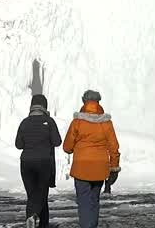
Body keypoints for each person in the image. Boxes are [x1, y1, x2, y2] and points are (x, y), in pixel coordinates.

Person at [63, 89, 121, 228]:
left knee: (83, 201)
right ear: (98, 102)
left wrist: (74, 147)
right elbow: (114, 147)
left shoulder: (77, 122)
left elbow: (67, 147)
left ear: (84, 101)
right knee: (94, 200)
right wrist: (114, 167)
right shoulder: (106, 123)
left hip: (81, 167)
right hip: (100, 168)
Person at [15, 94, 62, 228]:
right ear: (44, 106)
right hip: (44, 162)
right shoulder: (49, 121)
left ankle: (36, 219)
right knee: (41, 193)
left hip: (26, 163)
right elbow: (57, 142)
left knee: (32, 195)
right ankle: (34, 216)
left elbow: (18, 144)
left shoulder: (24, 122)